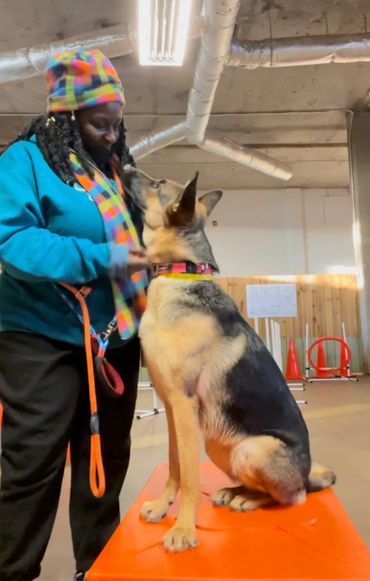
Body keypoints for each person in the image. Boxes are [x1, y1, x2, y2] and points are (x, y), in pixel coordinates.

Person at [0, 49, 150, 581]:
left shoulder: (112, 172)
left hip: (114, 341)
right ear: (65, 116)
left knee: (105, 461)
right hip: (42, 336)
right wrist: (101, 258)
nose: (111, 134)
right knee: (33, 466)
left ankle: (99, 568)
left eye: (117, 123)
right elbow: (13, 241)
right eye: (99, 122)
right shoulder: (25, 162)